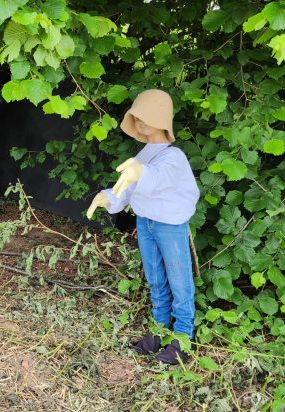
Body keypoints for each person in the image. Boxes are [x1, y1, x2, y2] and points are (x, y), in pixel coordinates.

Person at [86, 89, 200, 365]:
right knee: (155, 278)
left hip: (169, 227)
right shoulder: (144, 153)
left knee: (179, 279)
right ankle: (159, 331)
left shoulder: (174, 157)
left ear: (161, 118)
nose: (139, 123)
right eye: (136, 118)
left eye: (145, 117)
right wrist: (109, 197)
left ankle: (183, 337)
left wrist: (141, 172)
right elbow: (129, 187)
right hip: (145, 222)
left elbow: (158, 176)